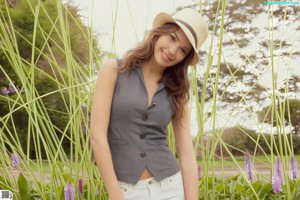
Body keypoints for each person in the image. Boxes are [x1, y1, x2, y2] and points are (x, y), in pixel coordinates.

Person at [90, 8, 208, 200]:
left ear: (185, 58)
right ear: (159, 33)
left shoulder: (179, 92)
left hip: (171, 187)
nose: (172, 50)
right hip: (125, 191)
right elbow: (97, 136)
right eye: (172, 38)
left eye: (183, 50)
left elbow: (187, 155)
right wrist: (115, 194)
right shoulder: (113, 70)